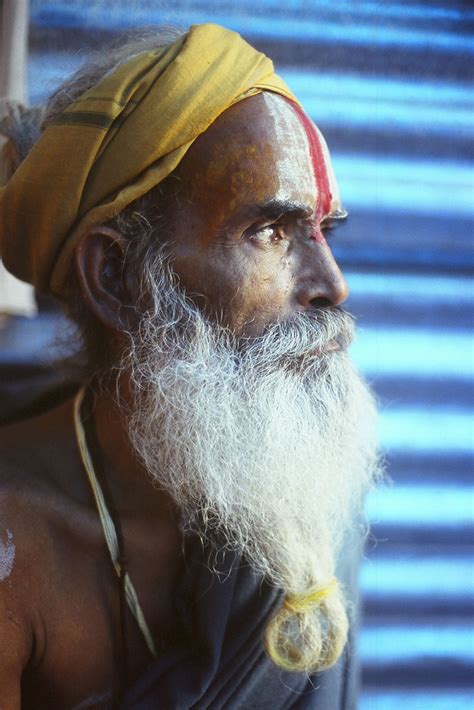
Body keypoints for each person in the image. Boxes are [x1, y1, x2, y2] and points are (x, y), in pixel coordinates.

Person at [0, 24, 379, 709]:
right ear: (117, 277)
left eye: (324, 232)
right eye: (271, 231)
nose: (332, 283)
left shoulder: (300, 501)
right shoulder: (14, 550)